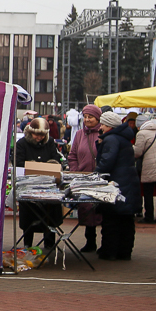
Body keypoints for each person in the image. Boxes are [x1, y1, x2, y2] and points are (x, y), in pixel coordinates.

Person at [95, 111, 141, 260]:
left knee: (111, 220)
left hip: (116, 185)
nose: (100, 127)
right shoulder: (124, 138)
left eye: (102, 124)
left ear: (109, 125)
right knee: (126, 220)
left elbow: (106, 162)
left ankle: (109, 251)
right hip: (128, 183)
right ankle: (124, 251)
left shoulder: (111, 139)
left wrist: (95, 174)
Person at [14, 117, 64, 248]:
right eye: (37, 134)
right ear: (30, 133)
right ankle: (27, 244)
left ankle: (49, 244)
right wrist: (39, 167)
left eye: (43, 135)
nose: (40, 137)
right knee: (29, 218)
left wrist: (50, 166)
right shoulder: (22, 144)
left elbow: (56, 158)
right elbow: (18, 163)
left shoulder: (51, 142)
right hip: (28, 187)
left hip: (49, 188)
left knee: (49, 217)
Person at [66, 104, 103, 252]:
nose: (87, 120)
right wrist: (75, 171)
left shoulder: (103, 133)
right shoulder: (80, 134)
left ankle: (105, 243)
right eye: (85, 117)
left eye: (91, 117)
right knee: (87, 210)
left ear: (98, 118)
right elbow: (72, 155)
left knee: (101, 209)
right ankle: (90, 241)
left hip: (100, 179)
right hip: (83, 178)